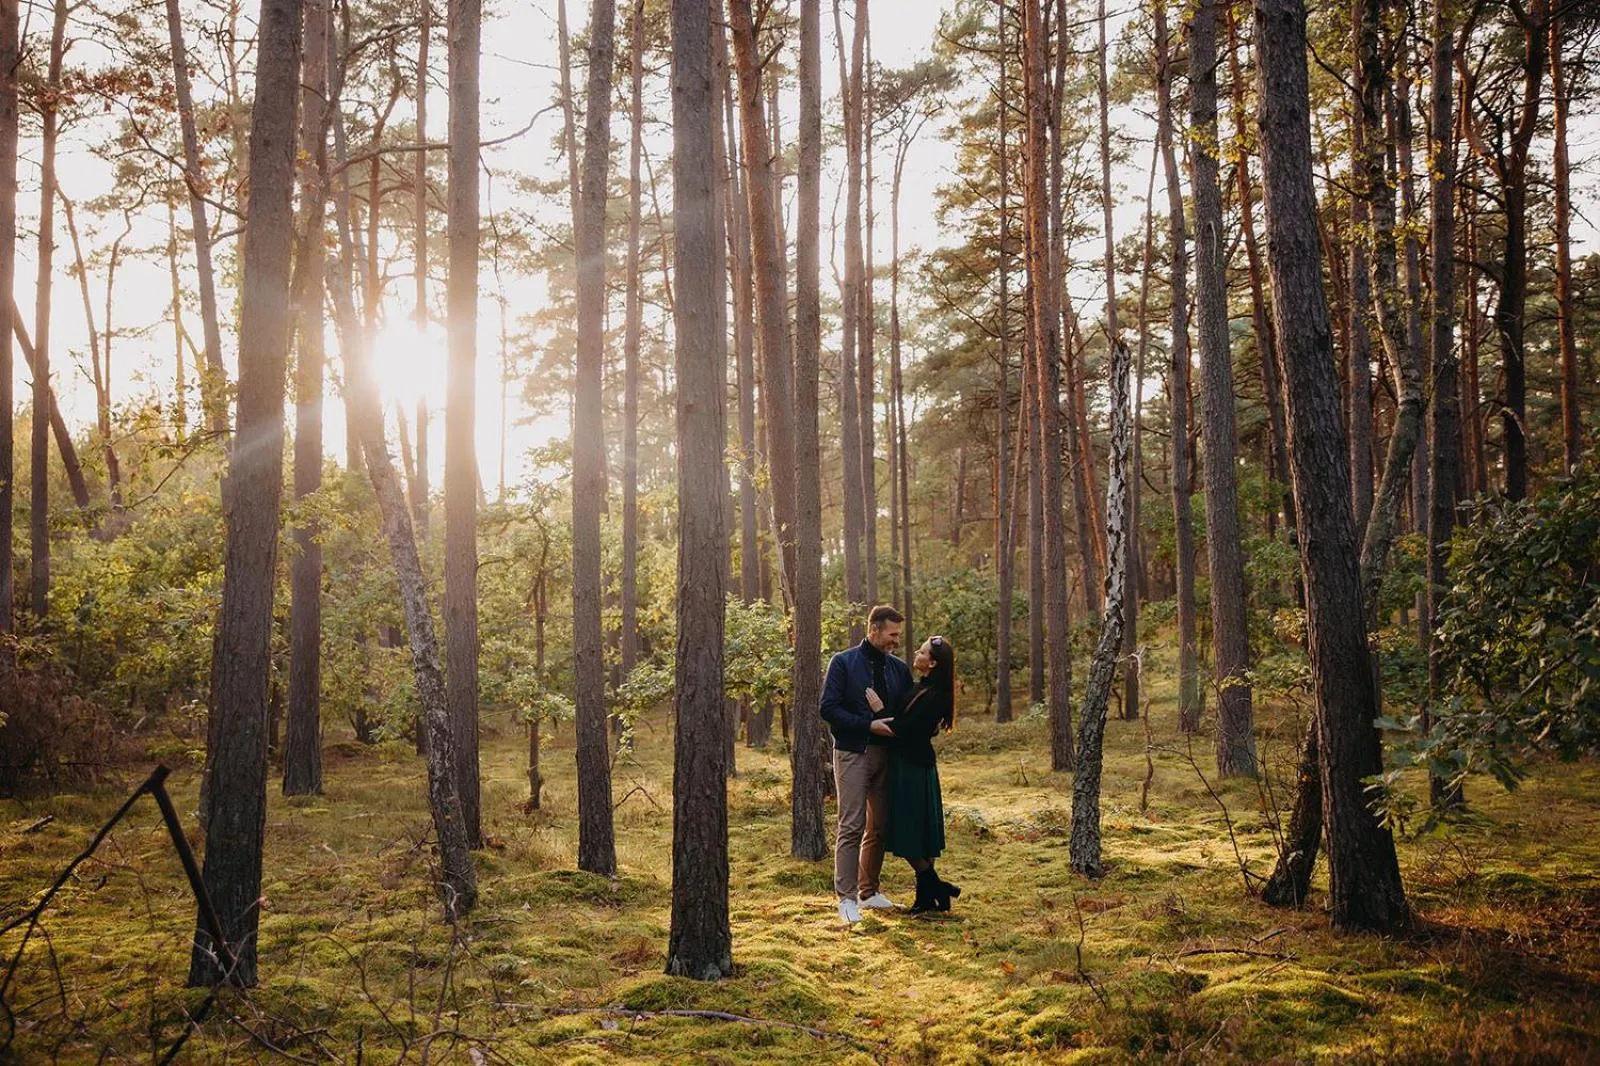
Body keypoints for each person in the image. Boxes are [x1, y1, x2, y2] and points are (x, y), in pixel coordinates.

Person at [820, 605, 913, 924]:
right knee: (852, 824)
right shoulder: (843, 663)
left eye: (898, 635)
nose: (895, 641)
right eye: (892, 634)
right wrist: (867, 723)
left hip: (889, 756)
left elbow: (908, 709)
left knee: (880, 826)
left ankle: (868, 892)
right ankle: (845, 899)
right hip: (853, 753)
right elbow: (828, 708)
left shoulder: (899, 669)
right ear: (873, 630)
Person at [878, 634, 960, 913]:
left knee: (909, 831)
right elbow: (903, 718)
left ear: (932, 663)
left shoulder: (935, 696)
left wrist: (878, 712)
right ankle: (928, 897)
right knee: (917, 832)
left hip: (914, 766)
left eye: (922, 652)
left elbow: (905, 728)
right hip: (908, 763)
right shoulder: (920, 688)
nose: (917, 653)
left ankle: (933, 886)